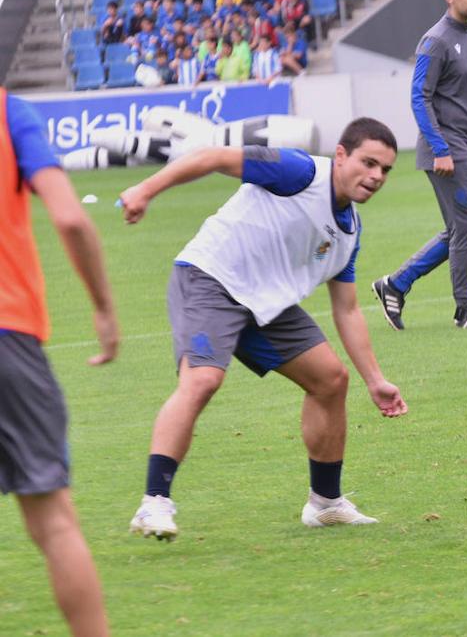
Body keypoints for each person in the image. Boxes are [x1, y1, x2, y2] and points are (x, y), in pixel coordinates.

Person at [120, 118, 409, 541]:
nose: (376, 176)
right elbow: (212, 157)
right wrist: (145, 190)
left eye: (385, 169)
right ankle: (153, 504)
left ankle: (325, 505)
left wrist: (376, 381)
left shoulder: (349, 233)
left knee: (331, 380)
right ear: (342, 155)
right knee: (202, 379)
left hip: (264, 306)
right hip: (211, 278)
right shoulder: (300, 171)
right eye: (369, 163)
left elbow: (347, 310)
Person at [1, 88, 120, 636]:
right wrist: (101, 307)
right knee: (52, 522)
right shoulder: (9, 112)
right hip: (9, 335)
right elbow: (70, 219)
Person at [372, 0, 467, 331]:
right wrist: (440, 148)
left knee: (463, 227)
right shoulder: (436, 41)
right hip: (446, 150)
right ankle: (465, 311)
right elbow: (419, 98)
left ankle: (395, 284)